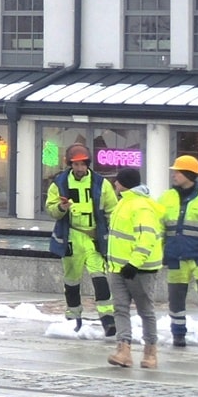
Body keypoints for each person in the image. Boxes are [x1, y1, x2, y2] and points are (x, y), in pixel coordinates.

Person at [46, 143, 119, 337]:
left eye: (83, 164)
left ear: (88, 164)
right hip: (71, 236)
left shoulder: (101, 183)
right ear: (70, 164)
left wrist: (112, 232)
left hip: (93, 237)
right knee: (71, 281)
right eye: (76, 164)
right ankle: (73, 318)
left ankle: (107, 319)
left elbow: (112, 209)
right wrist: (61, 208)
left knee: (99, 277)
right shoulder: (59, 183)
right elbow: (51, 209)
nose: (80, 168)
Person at [105, 166, 164, 368]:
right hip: (118, 267)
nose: (115, 183)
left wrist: (134, 263)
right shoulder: (123, 202)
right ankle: (123, 350)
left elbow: (147, 237)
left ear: (125, 183)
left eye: (118, 181)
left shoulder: (141, 206)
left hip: (140, 269)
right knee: (120, 308)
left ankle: (150, 352)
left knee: (145, 310)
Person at [158, 154, 198, 348]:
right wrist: (160, 254)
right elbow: (159, 229)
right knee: (175, 298)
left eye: (177, 172)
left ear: (188, 174)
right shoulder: (167, 197)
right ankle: (178, 336)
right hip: (176, 257)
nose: (174, 175)